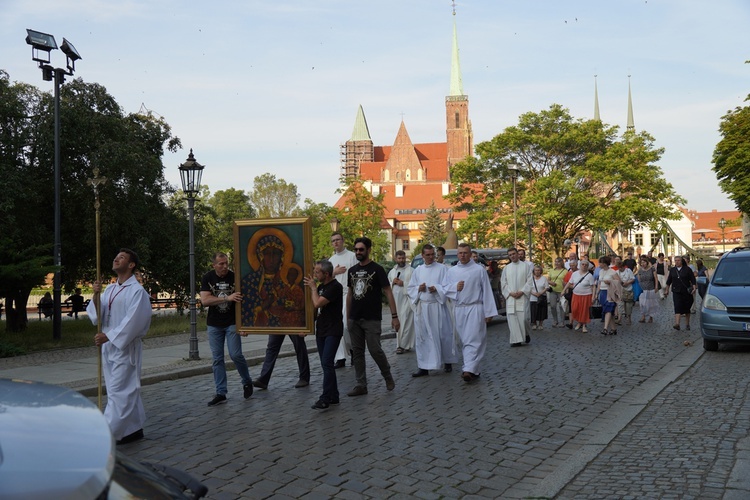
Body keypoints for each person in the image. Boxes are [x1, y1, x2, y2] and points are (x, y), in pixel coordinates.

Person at [87, 248, 152, 445]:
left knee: (119, 391)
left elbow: (135, 321)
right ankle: (132, 429)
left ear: (131, 265)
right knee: (121, 388)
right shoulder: (110, 289)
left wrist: (109, 336)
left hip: (125, 347)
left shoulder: (137, 291)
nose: (116, 259)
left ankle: (107, 434)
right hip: (109, 347)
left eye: (121, 257)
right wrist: (96, 296)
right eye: (116, 256)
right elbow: (99, 315)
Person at [346, 237, 399, 397]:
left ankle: (387, 375)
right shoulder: (352, 270)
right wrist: (348, 317)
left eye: (361, 249)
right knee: (357, 352)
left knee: (375, 350)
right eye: (356, 250)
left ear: (368, 250)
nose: (358, 252)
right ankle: (361, 384)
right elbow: (349, 294)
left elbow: (388, 291)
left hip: (372, 318)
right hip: (355, 318)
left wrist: (394, 316)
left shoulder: (377, 269)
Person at [200, 252, 253, 407]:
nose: (224, 266)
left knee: (236, 355)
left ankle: (246, 380)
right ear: (214, 265)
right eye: (221, 264)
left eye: (226, 263)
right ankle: (221, 392)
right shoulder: (208, 278)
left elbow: (245, 302)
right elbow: (205, 300)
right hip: (214, 324)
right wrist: (226, 298)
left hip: (232, 322)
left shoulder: (234, 277)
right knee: (217, 359)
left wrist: (245, 325)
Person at [444, 243, 498, 381]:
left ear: (470, 254)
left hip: (475, 308)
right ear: (457, 254)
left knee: (474, 339)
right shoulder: (451, 271)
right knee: (464, 340)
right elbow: (445, 289)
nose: (463, 255)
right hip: (459, 308)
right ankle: (474, 369)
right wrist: (455, 287)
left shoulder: (478, 270)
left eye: (465, 253)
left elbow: (486, 290)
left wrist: (489, 312)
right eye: (460, 253)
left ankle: (468, 369)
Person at [407, 244, 458, 377]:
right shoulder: (417, 270)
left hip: (438, 306)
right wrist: (419, 288)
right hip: (423, 307)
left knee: (443, 335)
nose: (430, 257)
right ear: (422, 255)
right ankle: (424, 366)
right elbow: (410, 288)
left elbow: (448, 286)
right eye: (427, 255)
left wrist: (437, 289)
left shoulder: (442, 269)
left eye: (432, 255)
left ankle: (447, 361)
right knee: (423, 337)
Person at [241, 230, 305, 328]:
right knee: (273, 344)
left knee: (297, 342)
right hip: (266, 325)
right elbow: (245, 308)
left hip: (287, 322)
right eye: (267, 253)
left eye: (275, 254)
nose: (271, 259)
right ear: (260, 256)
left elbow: (298, 303)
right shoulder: (249, 281)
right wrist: (261, 307)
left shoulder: (287, 280)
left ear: (282, 257)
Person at [304, 260, 343, 410]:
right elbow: (314, 311)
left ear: (326, 274)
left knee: (327, 362)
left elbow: (318, 303)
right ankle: (334, 396)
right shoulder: (321, 286)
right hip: (321, 329)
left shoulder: (335, 287)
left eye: (317, 272)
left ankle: (325, 398)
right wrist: (306, 327)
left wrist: (313, 289)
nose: (314, 275)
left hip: (333, 329)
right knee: (325, 364)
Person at [330, 232, 357, 369]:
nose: (336, 242)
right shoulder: (331, 260)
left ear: (343, 240)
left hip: (348, 295)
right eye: (333, 240)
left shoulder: (352, 256)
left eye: (338, 240)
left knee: (347, 326)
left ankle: (353, 351)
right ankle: (340, 357)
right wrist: (333, 272)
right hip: (335, 298)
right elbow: (326, 278)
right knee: (336, 328)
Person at [501, 247, 532, 346]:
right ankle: (516, 340)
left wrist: (522, 291)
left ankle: (526, 333)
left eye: (514, 254)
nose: (512, 256)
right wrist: (510, 292)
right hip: (511, 297)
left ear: (518, 254)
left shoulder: (526, 266)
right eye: (510, 255)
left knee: (524, 318)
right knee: (512, 318)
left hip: (522, 296)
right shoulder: (506, 268)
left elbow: (530, 281)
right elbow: (503, 283)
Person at [388, 250, 415, 354]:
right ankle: (403, 345)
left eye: (403, 258)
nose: (401, 260)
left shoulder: (411, 270)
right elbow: (387, 286)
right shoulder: (392, 271)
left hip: (407, 299)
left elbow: (414, 285)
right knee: (398, 321)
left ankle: (401, 345)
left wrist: (403, 283)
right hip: (396, 300)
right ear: (395, 259)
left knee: (406, 321)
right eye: (399, 258)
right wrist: (392, 282)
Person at [665, 255, 697, 331]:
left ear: (681, 261)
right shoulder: (673, 270)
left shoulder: (687, 269)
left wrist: (694, 288)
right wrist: (667, 290)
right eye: (675, 260)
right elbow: (669, 281)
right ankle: (677, 324)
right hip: (676, 291)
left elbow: (693, 279)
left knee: (686, 308)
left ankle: (687, 324)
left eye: (678, 260)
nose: (677, 262)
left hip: (686, 291)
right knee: (677, 306)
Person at [564, 260, 596, 333]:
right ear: (580, 265)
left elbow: (593, 286)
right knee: (575, 309)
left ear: (588, 267)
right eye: (583, 264)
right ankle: (579, 322)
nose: (584, 266)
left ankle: (584, 325)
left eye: (586, 265)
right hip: (576, 294)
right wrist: (564, 291)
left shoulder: (589, 275)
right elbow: (569, 283)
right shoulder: (574, 274)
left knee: (584, 311)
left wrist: (593, 296)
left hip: (586, 295)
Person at [595, 256, 621, 336]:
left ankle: (605, 328)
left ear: (605, 263)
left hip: (610, 292)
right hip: (602, 292)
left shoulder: (612, 271)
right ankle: (613, 329)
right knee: (609, 312)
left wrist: (610, 282)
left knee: (608, 310)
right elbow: (599, 283)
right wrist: (597, 293)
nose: (599, 264)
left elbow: (619, 281)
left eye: (600, 263)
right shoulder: (601, 271)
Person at [636, 256, 659, 323]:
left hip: (650, 288)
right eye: (641, 263)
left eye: (644, 262)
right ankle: (643, 317)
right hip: (642, 289)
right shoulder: (640, 270)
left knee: (651, 304)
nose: (643, 264)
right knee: (642, 303)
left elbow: (655, 278)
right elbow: (639, 279)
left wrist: (656, 287)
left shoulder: (652, 268)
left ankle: (651, 317)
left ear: (647, 262)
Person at [547, 258, 567, 327]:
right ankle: (555, 320)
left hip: (562, 291)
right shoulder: (551, 270)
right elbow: (548, 280)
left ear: (561, 262)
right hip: (553, 290)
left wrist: (565, 287)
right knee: (552, 306)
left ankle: (562, 322)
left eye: (558, 262)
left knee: (562, 306)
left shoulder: (565, 271)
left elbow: (567, 281)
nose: (557, 263)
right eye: (555, 262)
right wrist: (551, 283)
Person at [616, 256, 636, 325]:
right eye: (619, 267)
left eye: (621, 267)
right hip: (620, 290)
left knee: (628, 305)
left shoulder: (628, 271)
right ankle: (619, 318)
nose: (620, 269)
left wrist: (627, 283)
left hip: (628, 290)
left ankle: (629, 318)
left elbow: (633, 279)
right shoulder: (617, 272)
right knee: (620, 305)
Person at [530, 264, 549, 330]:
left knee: (541, 311)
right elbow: (528, 288)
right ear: (534, 271)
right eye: (536, 270)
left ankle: (541, 324)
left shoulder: (544, 278)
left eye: (538, 270)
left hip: (541, 297)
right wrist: (534, 293)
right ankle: (534, 323)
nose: (537, 271)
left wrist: (540, 293)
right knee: (533, 311)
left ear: (541, 271)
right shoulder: (530, 279)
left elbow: (546, 287)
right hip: (532, 297)